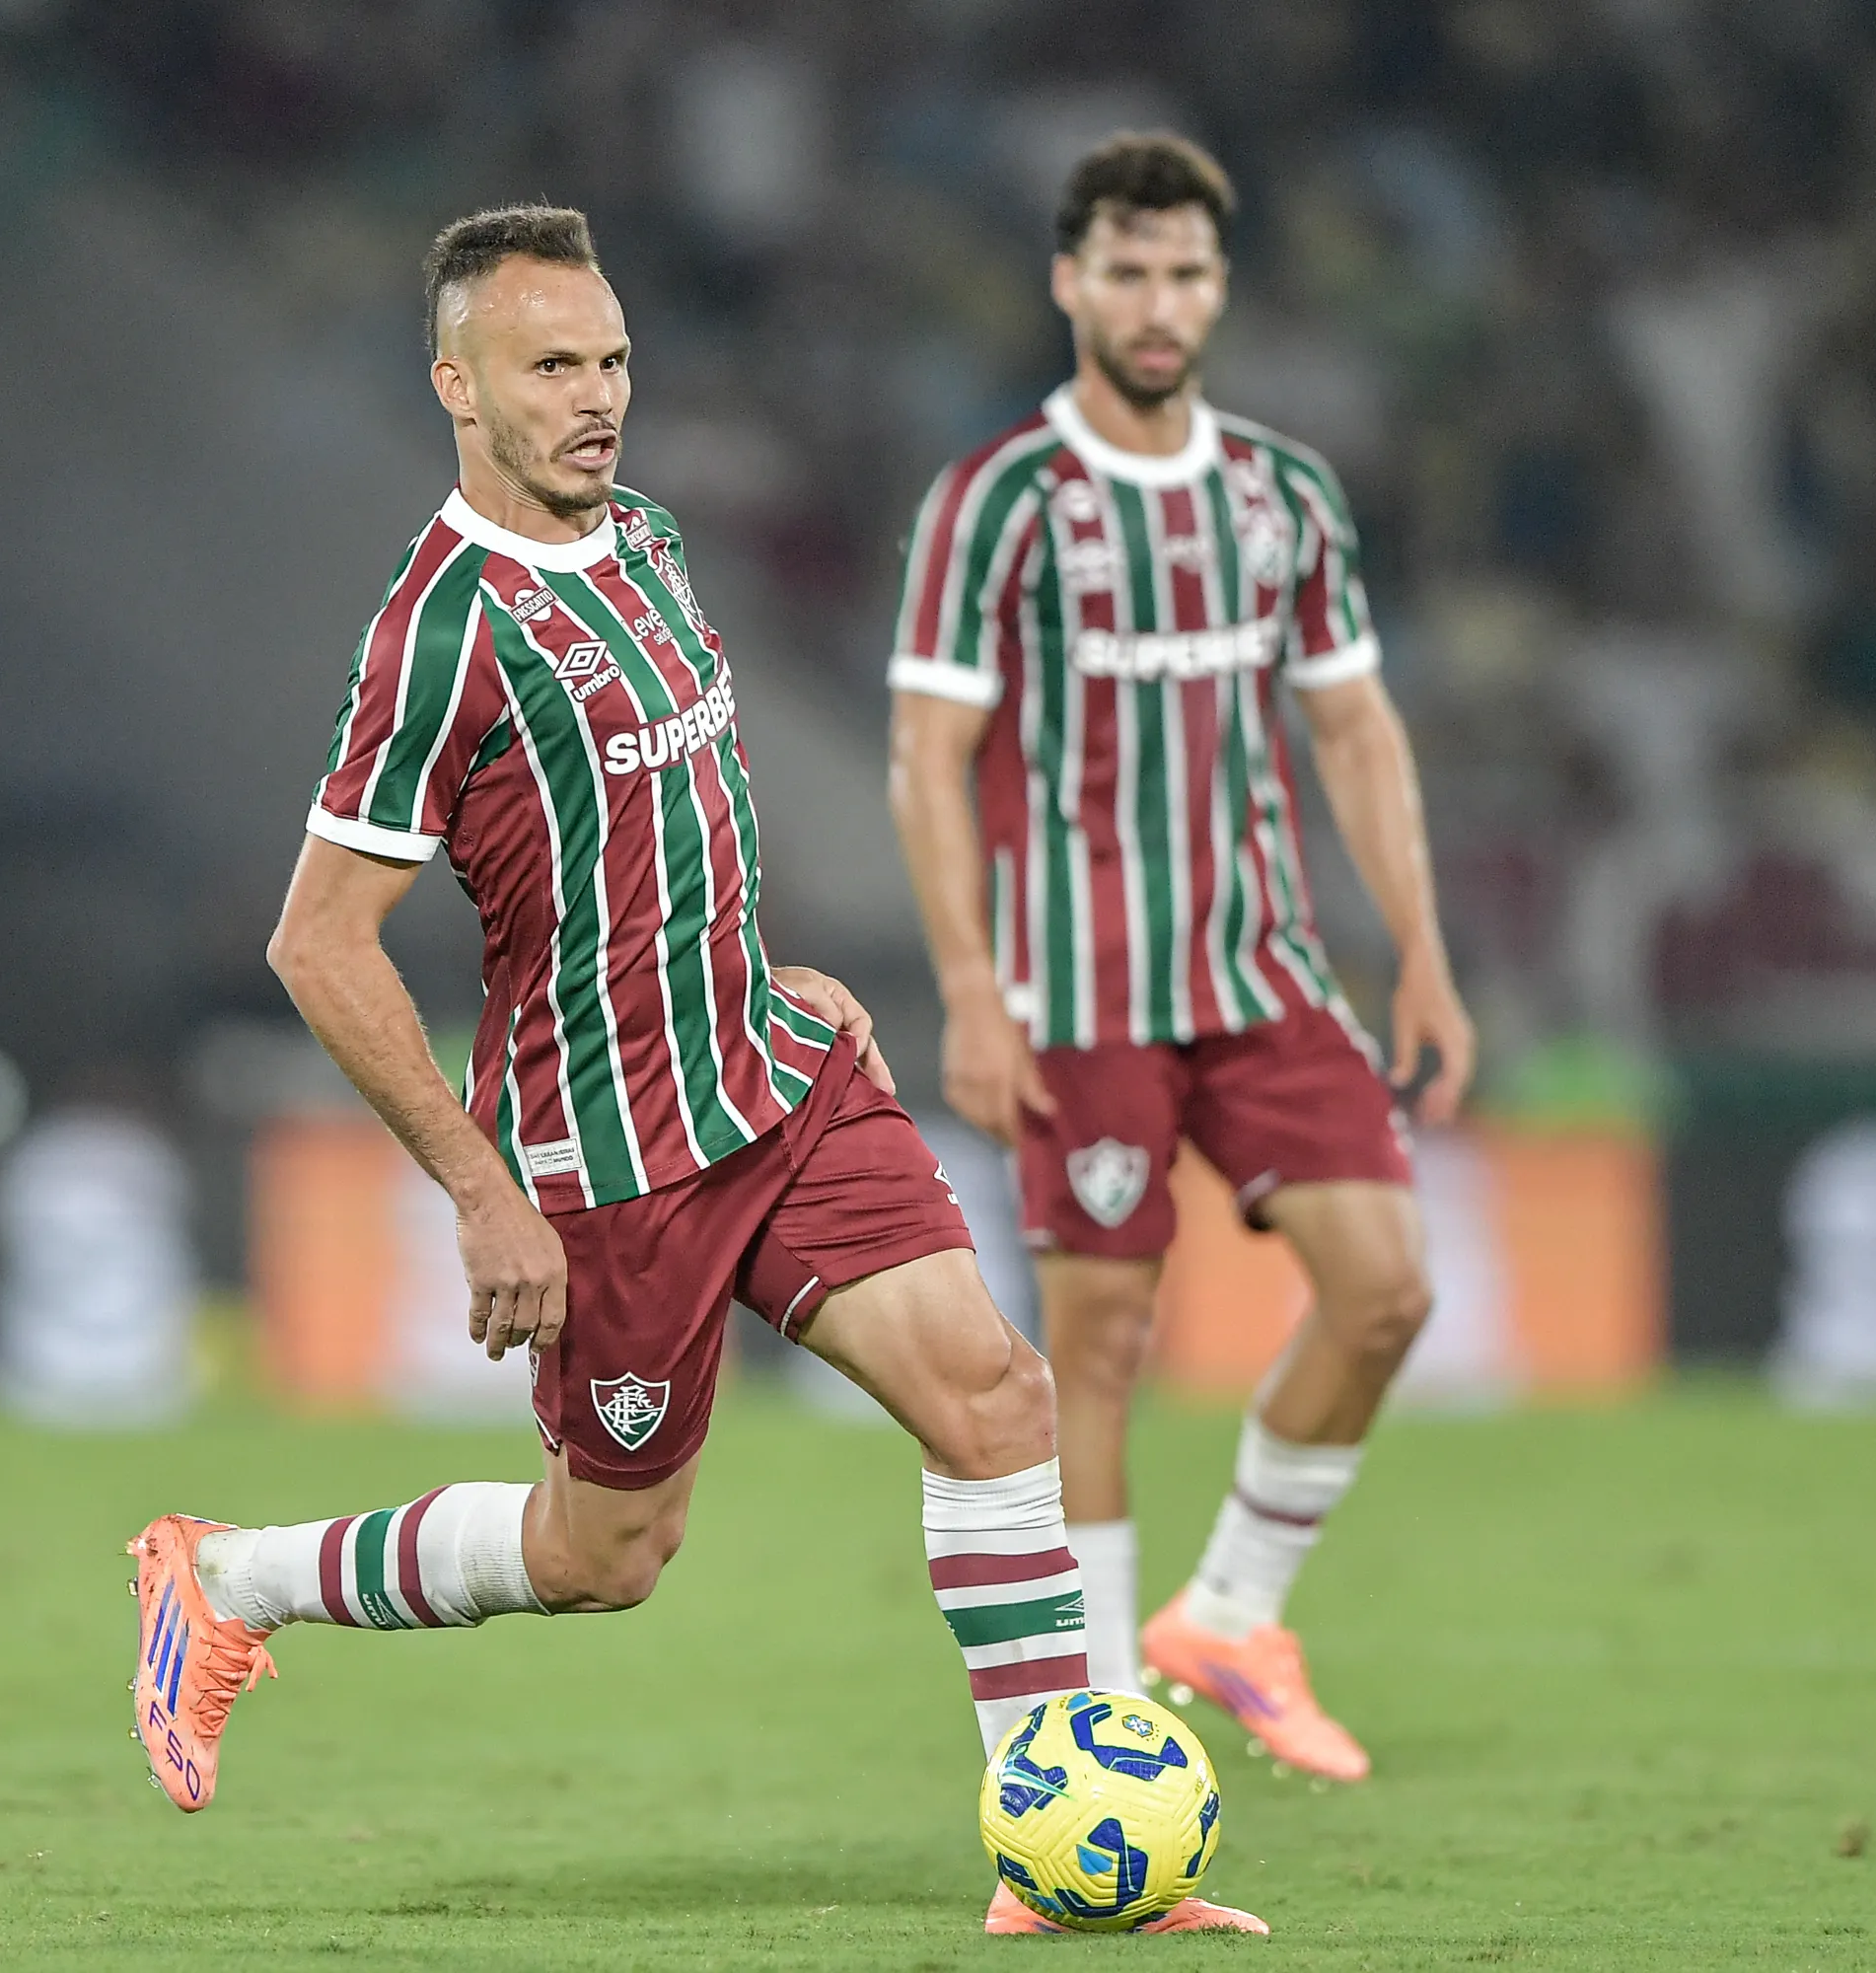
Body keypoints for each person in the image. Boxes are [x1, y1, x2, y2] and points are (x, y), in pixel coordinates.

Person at [121, 204, 1262, 1938]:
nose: (597, 400)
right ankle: (231, 1579)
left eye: (613, 361)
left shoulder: (645, 535)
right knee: (607, 1561)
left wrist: (756, 960)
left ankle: (1059, 1859)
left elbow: (675, 800)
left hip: (776, 1075)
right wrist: (485, 1189)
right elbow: (318, 941)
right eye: (551, 367)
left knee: (995, 1401)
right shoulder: (441, 636)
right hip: (607, 1158)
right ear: (455, 386)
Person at [885, 134, 1476, 1785]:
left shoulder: (1284, 493)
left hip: (1264, 972)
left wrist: (1420, 949)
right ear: (1070, 282)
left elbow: (1352, 726)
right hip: (1078, 995)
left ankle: (1228, 1610)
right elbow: (928, 758)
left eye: (1188, 273)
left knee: (1388, 1289)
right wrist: (968, 989)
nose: (1159, 303)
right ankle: (1094, 1738)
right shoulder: (995, 501)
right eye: (1128, 271)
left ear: (1222, 288)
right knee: (1105, 1350)